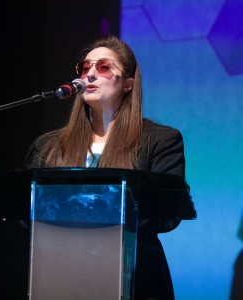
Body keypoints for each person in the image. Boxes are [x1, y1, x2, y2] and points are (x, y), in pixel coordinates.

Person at [26, 35, 187, 299]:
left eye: (103, 67)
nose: (89, 74)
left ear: (128, 84)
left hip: (136, 277)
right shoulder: (49, 145)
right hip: (61, 275)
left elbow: (168, 212)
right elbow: (26, 209)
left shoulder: (160, 140)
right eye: (85, 67)